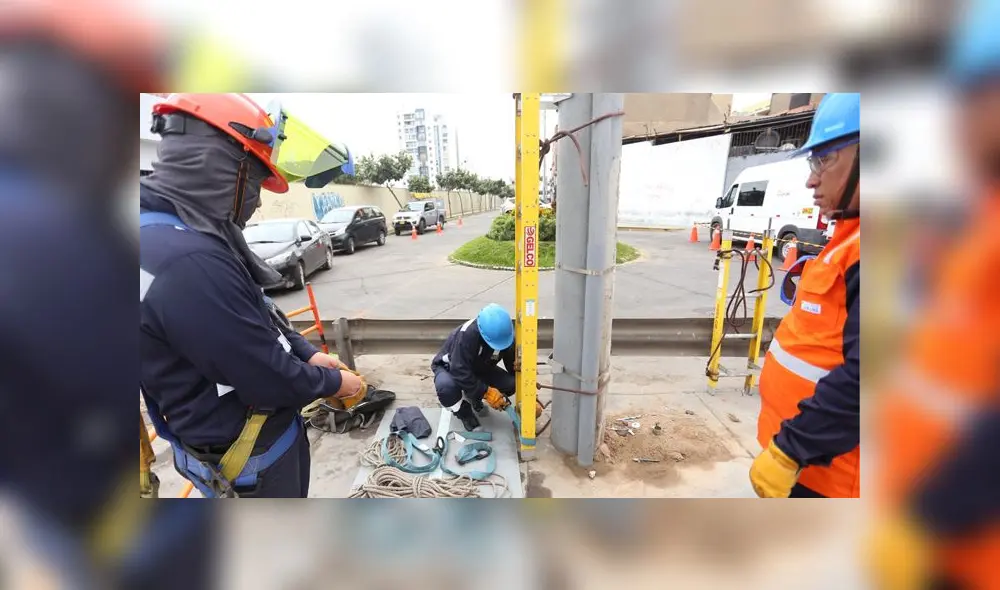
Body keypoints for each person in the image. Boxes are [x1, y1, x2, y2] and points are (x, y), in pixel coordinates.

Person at [140, 93, 363, 498]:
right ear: (222, 166)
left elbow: (254, 313)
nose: (257, 199)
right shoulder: (189, 260)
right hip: (247, 463)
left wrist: (304, 350)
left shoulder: (174, 231)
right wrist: (334, 382)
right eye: (257, 180)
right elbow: (267, 376)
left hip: (229, 445)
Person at [867, 1, 1000, 587]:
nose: (959, 121)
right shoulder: (981, 219)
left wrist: (928, 519)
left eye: (975, 97)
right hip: (928, 529)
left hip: (964, 541)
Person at [749, 93, 861, 498]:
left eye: (824, 160)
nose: (812, 179)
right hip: (807, 467)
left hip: (830, 477)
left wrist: (789, 451)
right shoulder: (850, 240)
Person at [432, 304, 518, 432]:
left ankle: (473, 396)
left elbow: (513, 366)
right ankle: (464, 412)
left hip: (479, 367)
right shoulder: (467, 336)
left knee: (511, 384)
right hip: (451, 368)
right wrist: (486, 392)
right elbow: (459, 370)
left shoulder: (505, 336)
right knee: (446, 389)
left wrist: (528, 391)